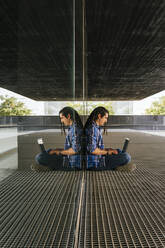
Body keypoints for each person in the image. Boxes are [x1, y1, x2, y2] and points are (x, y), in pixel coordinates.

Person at [84, 106, 136, 171]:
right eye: (105, 118)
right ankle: (117, 166)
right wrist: (108, 152)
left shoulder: (95, 127)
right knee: (126, 157)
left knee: (119, 151)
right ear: (99, 116)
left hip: (96, 158)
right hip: (94, 163)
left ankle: (117, 166)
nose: (106, 120)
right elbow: (93, 150)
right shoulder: (92, 129)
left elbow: (94, 147)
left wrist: (108, 150)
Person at [31, 107, 83, 171]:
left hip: (73, 163)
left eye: (62, 118)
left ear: (68, 116)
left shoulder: (76, 130)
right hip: (70, 158)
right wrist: (57, 150)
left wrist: (57, 152)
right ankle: (50, 167)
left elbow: (74, 151)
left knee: (40, 157)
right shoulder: (72, 128)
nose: (61, 121)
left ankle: (50, 167)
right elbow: (73, 148)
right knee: (48, 152)